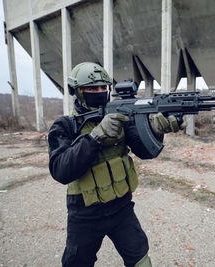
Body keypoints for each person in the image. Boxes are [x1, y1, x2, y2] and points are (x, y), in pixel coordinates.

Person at [48, 62, 183, 267]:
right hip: (85, 213)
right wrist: (96, 137)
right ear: (77, 91)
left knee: (140, 260)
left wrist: (156, 130)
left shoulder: (119, 116)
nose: (100, 92)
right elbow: (60, 170)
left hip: (121, 207)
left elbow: (145, 151)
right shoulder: (65, 125)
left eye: (104, 87)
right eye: (93, 88)